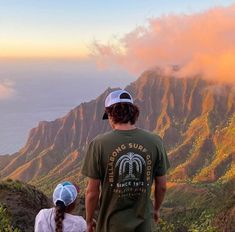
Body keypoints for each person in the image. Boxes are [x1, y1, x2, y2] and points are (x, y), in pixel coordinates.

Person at [81, 90, 170, 232]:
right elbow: (162, 186)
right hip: (143, 225)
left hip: (110, 226)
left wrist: (89, 220)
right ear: (133, 113)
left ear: (110, 115)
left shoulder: (98, 144)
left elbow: (92, 192)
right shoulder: (155, 142)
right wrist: (156, 209)